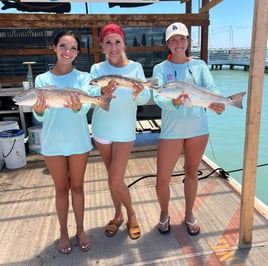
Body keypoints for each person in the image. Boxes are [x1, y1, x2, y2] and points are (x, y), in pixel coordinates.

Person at [152, 22, 225, 235]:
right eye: (173, 40)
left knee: (192, 173)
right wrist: (173, 102)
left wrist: (218, 102)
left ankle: (189, 214)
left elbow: (210, 89)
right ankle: (164, 213)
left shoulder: (200, 66)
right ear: (167, 43)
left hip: (198, 129)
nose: (178, 43)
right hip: (171, 131)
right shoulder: (160, 69)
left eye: (182, 38)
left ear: (188, 42)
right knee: (162, 178)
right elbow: (157, 96)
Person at [89, 24, 151, 240]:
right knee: (111, 178)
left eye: (117, 41)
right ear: (102, 45)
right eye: (108, 42)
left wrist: (140, 91)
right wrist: (102, 92)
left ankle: (131, 214)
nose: (113, 47)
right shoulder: (97, 69)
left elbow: (143, 100)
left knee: (116, 180)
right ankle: (117, 214)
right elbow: (94, 100)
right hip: (101, 129)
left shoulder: (135, 68)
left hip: (125, 129)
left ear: (124, 43)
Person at [33, 31, 92, 253]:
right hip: (53, 143)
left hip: (78, 141)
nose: (68, 52)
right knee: (61, 189)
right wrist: (38, 111)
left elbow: (85, 108)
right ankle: (63, 232)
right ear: (54, 48)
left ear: (78, 52)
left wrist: (79, 107)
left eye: (73, 48)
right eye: (63, 46)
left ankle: (80, 229)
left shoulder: (83, 78)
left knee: (77, 187)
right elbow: (41, 116)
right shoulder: (42, 80)